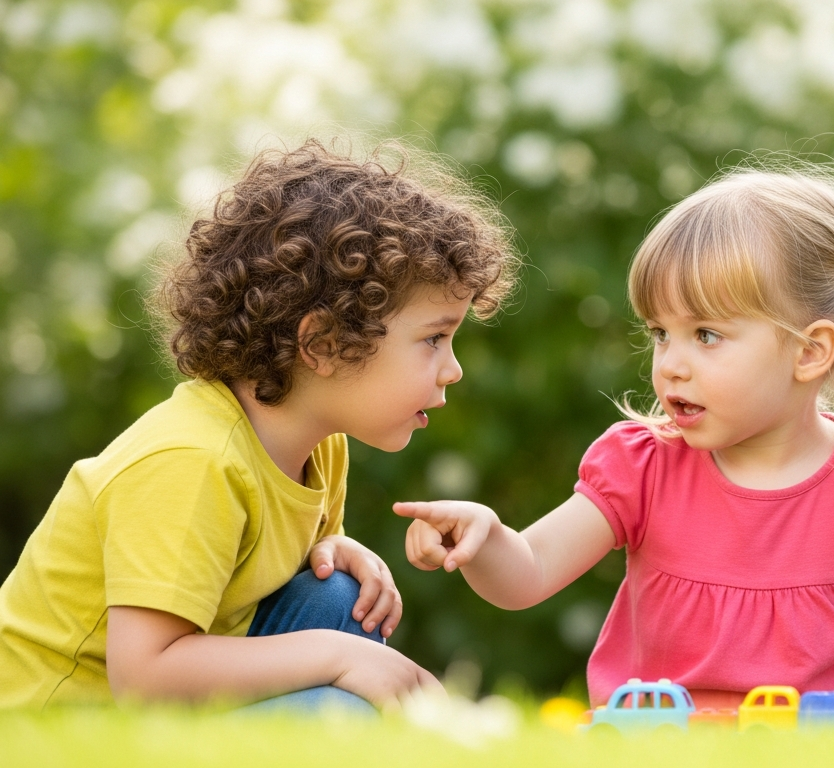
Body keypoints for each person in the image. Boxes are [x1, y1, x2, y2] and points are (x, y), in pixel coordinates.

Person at [395, 169, 834, 712]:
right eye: (662, 334)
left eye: (706, 335)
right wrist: (485, 537)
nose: (671, 366)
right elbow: (532, 570)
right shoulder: (643, 465)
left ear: (810, 352)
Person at [0, 139, 516, 711]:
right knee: (340, 707)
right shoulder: (192, 460)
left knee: (338, 594)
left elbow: (249, 578)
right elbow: (143, 679)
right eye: (434, 339)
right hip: (62, 733)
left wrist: (333, 547)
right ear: (322, 344)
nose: (454, 368)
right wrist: (339, 656)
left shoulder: (319, 448)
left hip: (164, 711)